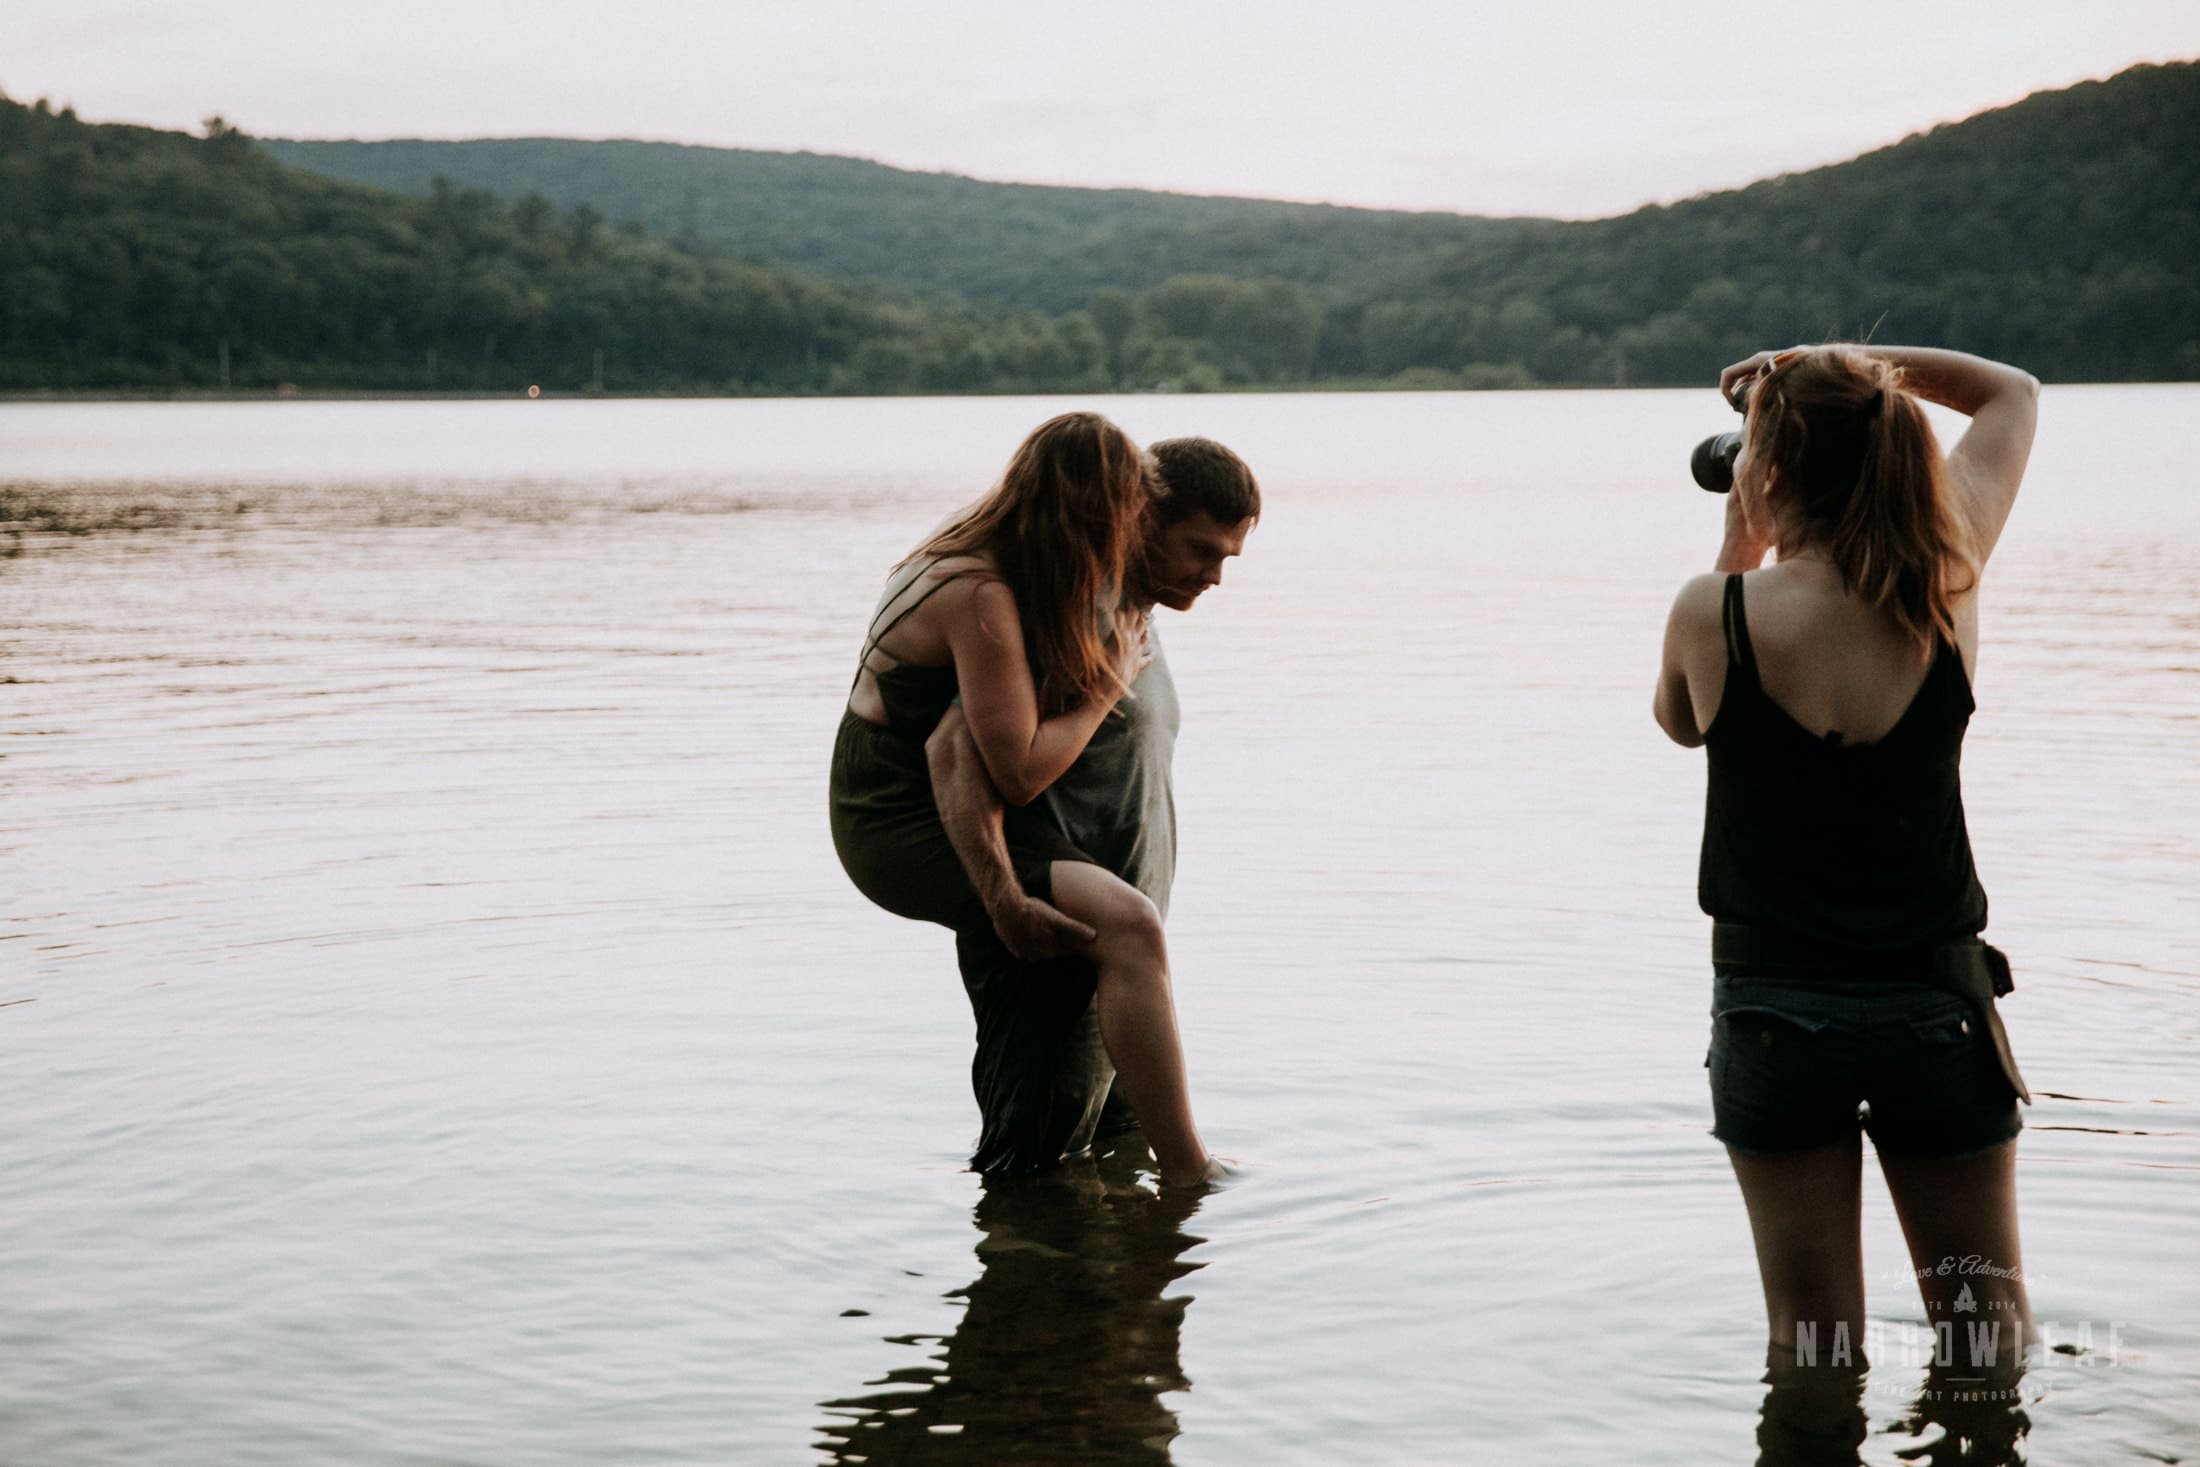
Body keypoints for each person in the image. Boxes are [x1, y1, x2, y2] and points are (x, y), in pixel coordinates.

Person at [1652, 344, 2042, 1373]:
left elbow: (1680, 724)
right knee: (1985, 1333)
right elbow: (2011, 393)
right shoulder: (1946, 586)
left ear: (1766, 469)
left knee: (1813, 1342)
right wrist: (1849, 366)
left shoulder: (1714, 611)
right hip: (1934, 1006)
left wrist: (1739, 536)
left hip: (1774, 1013)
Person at [829, 413, 1234, 1187]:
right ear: (1094, 509)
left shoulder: (1047, 574)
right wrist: (1004, 896)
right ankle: (1192, 1174)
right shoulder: (985, 590)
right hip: (894, 814)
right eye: (1128, 515)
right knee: (1125, 927)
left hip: (958, 804)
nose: (1129, 536)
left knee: (1125, 938)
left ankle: (1153, 1199)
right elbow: (980, 760)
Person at [925, 438, 1257, 1180]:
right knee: (1030, 1169)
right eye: (1201, 549)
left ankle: (1126, 1271)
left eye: (1229, 557)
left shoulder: (1139, 616)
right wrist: (1005, 897)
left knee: (1109, 1164)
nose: (1214, 575)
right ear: (1141, 519)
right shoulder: (1064, 616)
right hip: (1058, 949)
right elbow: (954, 752)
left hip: (1124, 959)